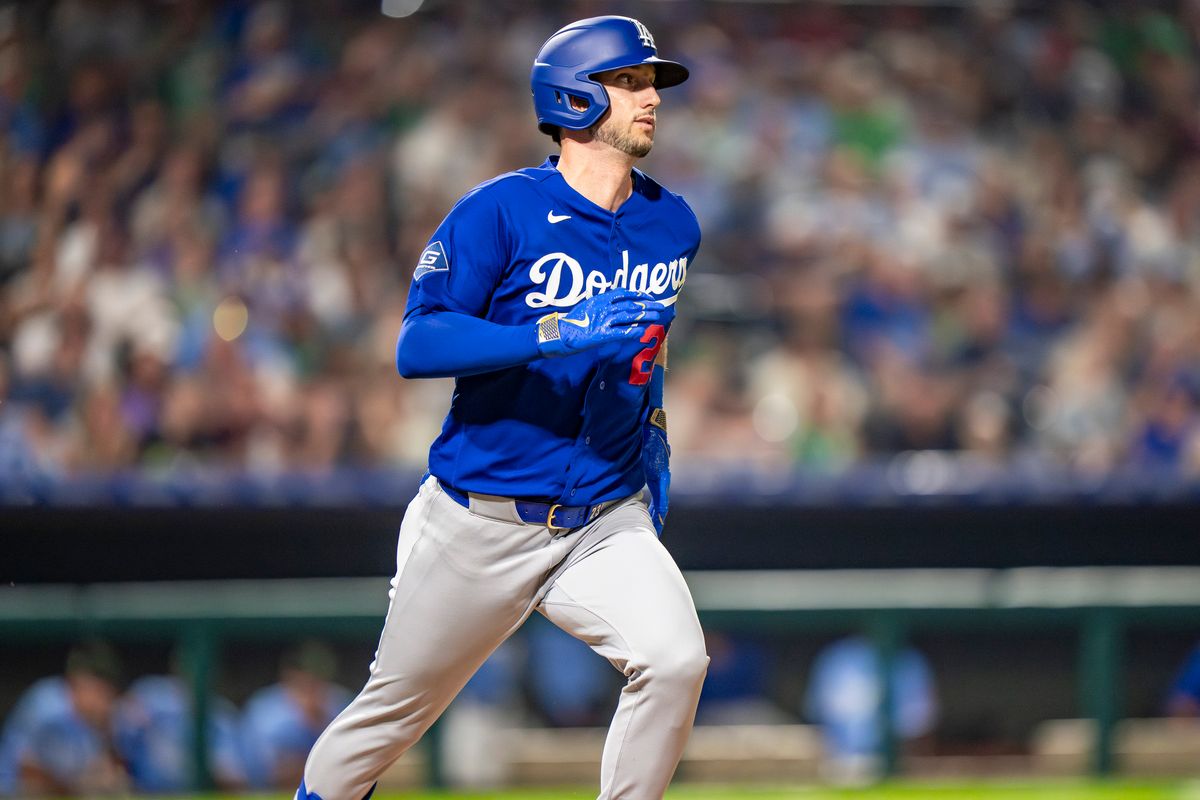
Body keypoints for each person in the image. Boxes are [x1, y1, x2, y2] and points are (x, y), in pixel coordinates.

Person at [296, 16, 707, 800]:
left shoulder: (672, 224)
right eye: (630, 82)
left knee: (676, 659)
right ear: (574, 97)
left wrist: (651, 434)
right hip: (479, 519)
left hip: (599, 516)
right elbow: (418, 344)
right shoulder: (500, 210)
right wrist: (547, 333)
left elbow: (642, 356)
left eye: (651, 82)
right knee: (387, 721)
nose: (651, 97)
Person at [804, 635, 937, 784]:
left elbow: (920, 726)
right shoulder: (837, 655)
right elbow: (817, 715)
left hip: (899, 761)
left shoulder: (910, 659)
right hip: (839, 760)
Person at [0, 641, 126, 796]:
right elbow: (26, 770)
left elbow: (95, 767)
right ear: (80, 682)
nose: (104, 702)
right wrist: (76, 785)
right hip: (11, 791)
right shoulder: (48, 705)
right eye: (100, 692)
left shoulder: (87, 718)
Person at [242, 641, 352, 790]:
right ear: (288, 674)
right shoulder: (264, 710)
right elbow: (259, 773)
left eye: (316, 674)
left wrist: (318, 720)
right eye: (302, 673)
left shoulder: (343, 703)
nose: (309, 680)